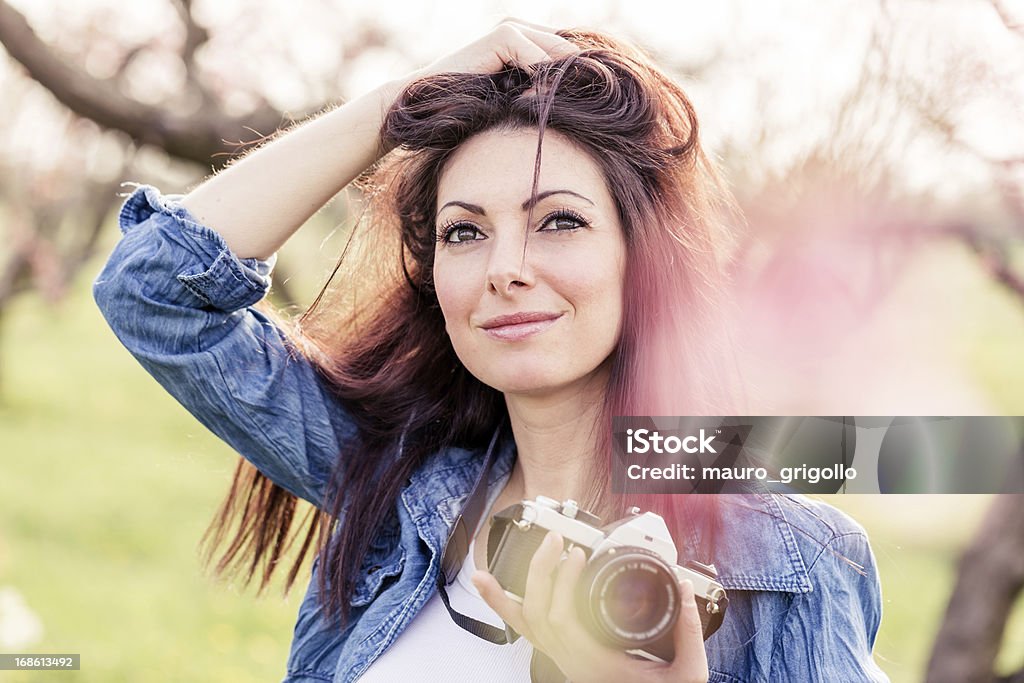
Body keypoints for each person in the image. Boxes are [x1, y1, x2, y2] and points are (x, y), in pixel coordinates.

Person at [93, 20, 889, 683]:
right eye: (465, 231)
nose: (505, 268)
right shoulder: (396, 483)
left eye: (560, 221)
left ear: (641, 258)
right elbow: (153, 291)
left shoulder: (793, 562)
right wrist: (394, 107)